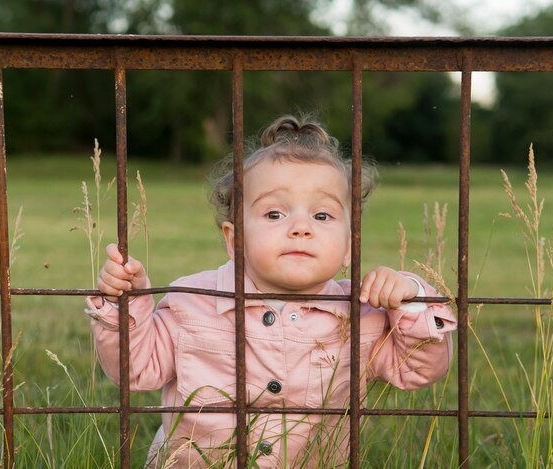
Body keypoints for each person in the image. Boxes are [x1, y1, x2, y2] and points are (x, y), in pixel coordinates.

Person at [85, 115, 456, 467]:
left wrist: (409, 297)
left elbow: (420, 371)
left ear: (349, 245)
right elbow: (135, 371)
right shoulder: (192, 302)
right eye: (275, 214)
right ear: (235, 239)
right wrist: (126, 304)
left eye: (322, 215)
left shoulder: (361, 316)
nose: (300, 228)